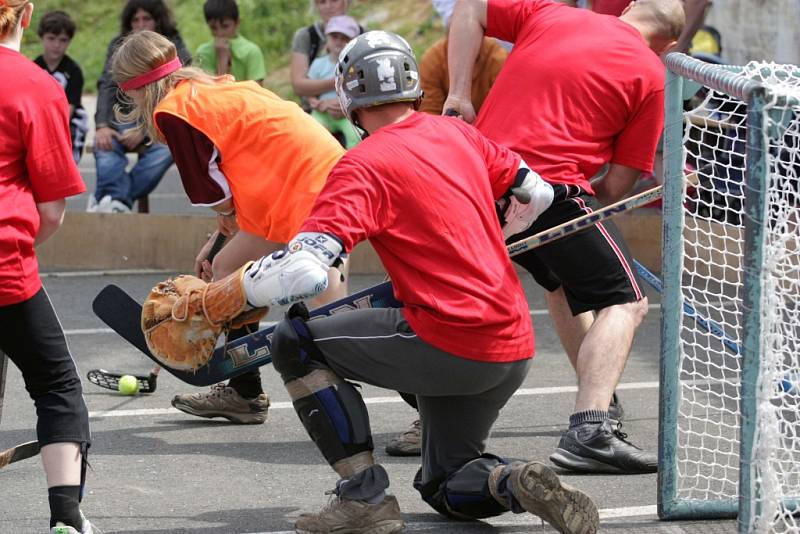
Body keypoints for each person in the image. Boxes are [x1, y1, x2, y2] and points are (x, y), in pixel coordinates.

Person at [145, 30, 593, 534]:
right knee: (445, 486)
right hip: (512, 347)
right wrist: (492, 232)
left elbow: (306, 271)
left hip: (448, 339)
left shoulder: (362, 165)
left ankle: (364, 497)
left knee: (296, 339)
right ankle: (512, 482)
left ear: (349, 100)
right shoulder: (459, 134)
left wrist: (222, 298)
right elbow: (535, 194)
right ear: (413, 89)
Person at [444, 0, 685, 474]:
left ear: (630, 8)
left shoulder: (552, 14)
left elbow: (470, 6)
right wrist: (580, 173)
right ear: (670, 45)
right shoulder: (653, 74)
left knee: (561, 282)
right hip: (545, 190)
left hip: (476, 177)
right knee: (627, 302)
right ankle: (590, 429)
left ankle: (600, 402)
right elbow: (616, 187)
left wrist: (460, 93)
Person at [110, 30, 348, 424]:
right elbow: (230, 191)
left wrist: (221, 228)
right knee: (227, 273)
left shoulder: (173, 111)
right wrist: (217, 241)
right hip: (302, 181)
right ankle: (245, 394)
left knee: (336, 317)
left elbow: (212, 193)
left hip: (311, 189)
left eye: (128, 93)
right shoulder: (205, 89)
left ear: (135, 88)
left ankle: (428, 402)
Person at [384, 2, 509, 457]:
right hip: (448, 182)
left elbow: (503, 132)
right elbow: (430, 127)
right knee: (419, 303)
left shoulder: (501, 60)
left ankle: (600, 403)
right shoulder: (434, 59)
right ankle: (431, 415)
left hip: (499, 176)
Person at [0, 2, 93, 533]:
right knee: (56, 386)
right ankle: (65, 518)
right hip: (6, 266)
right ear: (25, 16)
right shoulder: (36, 84)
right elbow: (51, 212)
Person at [89, 0, 191, 214]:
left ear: (158, 21)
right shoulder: (119, 45)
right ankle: (116, 202)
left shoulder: (171, 45)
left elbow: (181, 92)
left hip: (162, 121)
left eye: (147, 18)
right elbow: (107, 85)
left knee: (170, 148)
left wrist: (146, 129)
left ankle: (111, 200)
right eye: (135, 20)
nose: (141, 25)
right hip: (121, 119)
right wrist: (102, 125)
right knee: (103, 144)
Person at [33, 10, 88, 164]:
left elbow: (68, 109)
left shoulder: (73, 71)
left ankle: (67, 168)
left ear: (69, 41)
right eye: (51, 38)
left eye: (63, 40)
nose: (56, 45)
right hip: (38, 119)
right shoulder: (34, 68)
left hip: (66, 121)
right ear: (41, 37)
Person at [289, 0, 362, 112]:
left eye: (334, 0)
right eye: (322, 2)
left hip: (357, 111)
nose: (328, 6)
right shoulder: (306, 36)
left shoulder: (364, 35)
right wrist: (340, 81)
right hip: (317, 111)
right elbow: (299, 85)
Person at [307, 15, 361, 148]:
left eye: (344, 38)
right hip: (323, 113)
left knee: (356, 135)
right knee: (310, 131)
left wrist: (350, 107)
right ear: (327, 38)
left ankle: (351, 162)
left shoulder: (357, 65)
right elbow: (310, 93)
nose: (339, 41)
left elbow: (361, 90)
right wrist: (318, 104)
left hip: (348, 115)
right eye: (334, 36)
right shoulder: (318, 64)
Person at [195, 0, 265, 83]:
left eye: (225, 26)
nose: (219, 33)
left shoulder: (251, 52)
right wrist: (222, 60)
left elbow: (256, 92)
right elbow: (209, 92)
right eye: (213, 28)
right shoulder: (203, 53)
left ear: (237, 22)